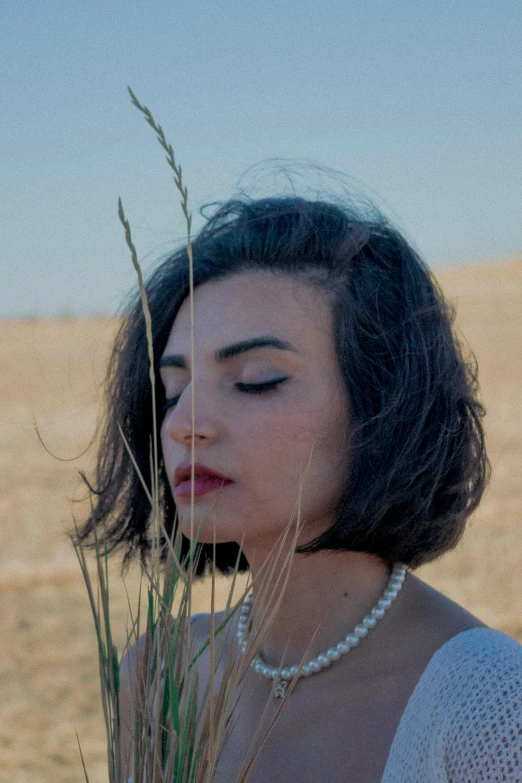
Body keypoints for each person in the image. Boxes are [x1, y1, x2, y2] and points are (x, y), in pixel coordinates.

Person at [72, 192, 522, 781]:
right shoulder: (160, 675)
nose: (183, 425)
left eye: (257, 381)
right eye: (173, 388)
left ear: (383, 404)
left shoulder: (492, 709)